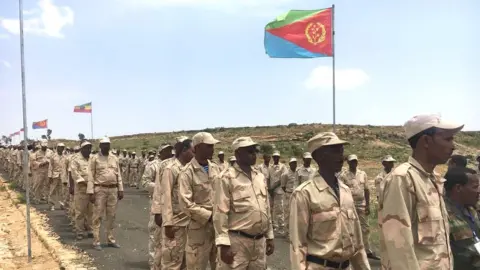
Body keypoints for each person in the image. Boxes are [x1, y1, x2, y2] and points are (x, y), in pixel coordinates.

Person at [379, 113, 463, 269]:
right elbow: (399, 247)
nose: (453, 146)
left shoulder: (433, 179)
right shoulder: (403, 179)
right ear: (426, 141)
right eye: (447, 139)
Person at [289, 132, 370, 270]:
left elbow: (357, 241)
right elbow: (297, 245)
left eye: (342, 150)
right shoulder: (304, 194)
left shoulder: (346, 191)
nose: (341, 156)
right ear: (319, 156)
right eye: (335, 150)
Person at [214, 137, 274, 269]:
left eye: (255, 150)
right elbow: (220, 213)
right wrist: (223, 245)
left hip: (259, 242)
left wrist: (269, 235)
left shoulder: (260, 176)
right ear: (238, 153)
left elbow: (266, 207)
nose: (254, 154)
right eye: (249, 151)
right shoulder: (226, 177)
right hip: (237, 242)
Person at [178, 132, 221, 270]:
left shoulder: (216, 168)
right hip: (198, 228)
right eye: (208, 146)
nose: (212, 149)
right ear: (197, 148)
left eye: (213, 146)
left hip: (218, 226)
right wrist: (208, 216)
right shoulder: (187, 172)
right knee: (196, 265)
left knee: (220, 264)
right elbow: (185, 203)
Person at [161, 138, 194, 269]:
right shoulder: (171, 169)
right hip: (176, 223)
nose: (194, 154)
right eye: (193, 151)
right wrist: (168, 223)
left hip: (189, 222)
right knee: (172, 261)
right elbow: (166, 197)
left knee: (186, 261)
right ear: (184, 150)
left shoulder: (190, 168)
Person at [87, 137, 124, 250]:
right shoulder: (94, 159)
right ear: (100, 146)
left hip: (113, 190)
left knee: (111, 216)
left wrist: (120, 189)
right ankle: (96, 241)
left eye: (108, 144)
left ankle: (110, 239)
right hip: (100, 190)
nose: (106, 146)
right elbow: (90, 175)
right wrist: (90, 192)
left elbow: (118, 174)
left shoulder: (114, 158)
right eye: (104, 145)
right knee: (97, 216)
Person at [338, 154, 377, 260]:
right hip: (350, 205)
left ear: (357, 162)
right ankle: (351, 250)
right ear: (348, 163)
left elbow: (367, 190)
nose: (353, 163)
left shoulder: (362, 174)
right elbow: (341, 191)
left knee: (365, 228)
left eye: (355, 161)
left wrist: (368, 205)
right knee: (350, 228)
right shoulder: (343, 175)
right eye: (351, 161)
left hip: (362, 204)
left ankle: (367, 250)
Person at [444, 167, 480, 270]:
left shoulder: (472, 209)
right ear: (458, 188)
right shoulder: (443, 214)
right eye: (475, 187)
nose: (478, 191)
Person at [71, 141, 94, 240]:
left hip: (92, 189)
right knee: (80, 211)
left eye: (89, 148)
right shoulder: (75, 159)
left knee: (91, 211)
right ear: (81, 149)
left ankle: (90, 230)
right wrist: (87, 183)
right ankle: (79, 231)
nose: (88, 150)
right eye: (86, 148)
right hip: (81, 189)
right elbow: (75, 174)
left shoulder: (93, 159)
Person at [267, 150, 287, 236]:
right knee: (271, 209)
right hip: (271, 191)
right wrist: (268, 188)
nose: (276, 158)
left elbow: (282, 179)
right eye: (274, 157)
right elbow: (268, 178)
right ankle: (273, 226)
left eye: (277, 157)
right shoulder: (270, 167)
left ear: (279, 157)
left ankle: (281, 226)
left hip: (278, 190)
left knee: (279, 209)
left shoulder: (283, 167)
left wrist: (273, 188)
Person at [281, 157, 298, 239]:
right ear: (290, 164)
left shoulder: (298, 172)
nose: (294, 164)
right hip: (288, 194)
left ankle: (293, 232)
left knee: (295, 214)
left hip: (296, 195)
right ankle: (287, 233)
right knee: (287, 214)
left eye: (295, 163)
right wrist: (288, 192)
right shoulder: (285, 174)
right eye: (293, 163)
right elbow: (283, 186)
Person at [48, 143, 67, 211]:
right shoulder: (53, 156)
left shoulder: (65, 157)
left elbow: (66, 167)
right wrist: (50, 176)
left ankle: (62, 204)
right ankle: (51, 205)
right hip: (54, 175)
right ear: (57, 148)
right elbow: (50, 167)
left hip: (62, 176)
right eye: (60, 147)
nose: (61, 149)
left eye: (62, 147)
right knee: (52, 190)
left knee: (62, 191)